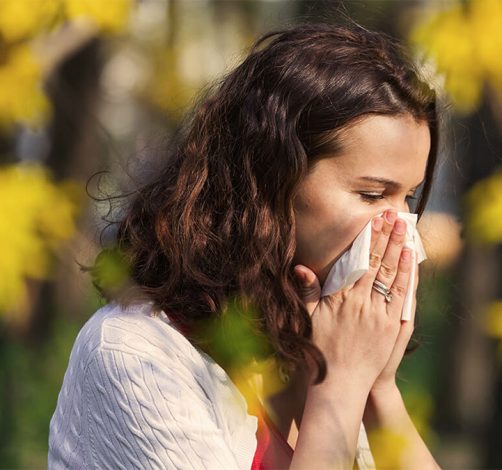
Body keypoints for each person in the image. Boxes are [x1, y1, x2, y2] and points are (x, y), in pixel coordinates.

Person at [48, 21, 442, 470]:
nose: (400, 226)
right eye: (372, 195)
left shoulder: (314, 345)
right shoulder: (136, 355)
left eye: (408, 197)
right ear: (272, 181)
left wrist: (378, 388)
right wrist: (343, 384)